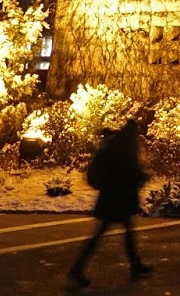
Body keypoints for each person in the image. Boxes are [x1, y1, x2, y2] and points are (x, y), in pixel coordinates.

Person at [68, 120, 152, 287]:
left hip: (112, 198)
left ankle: (135, 265)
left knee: (121, 232)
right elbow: (128, 172)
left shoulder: (117, 145)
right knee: (107, 234)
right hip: (117, 199)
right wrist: (141, 177)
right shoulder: (124, 148)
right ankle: (77, 268)